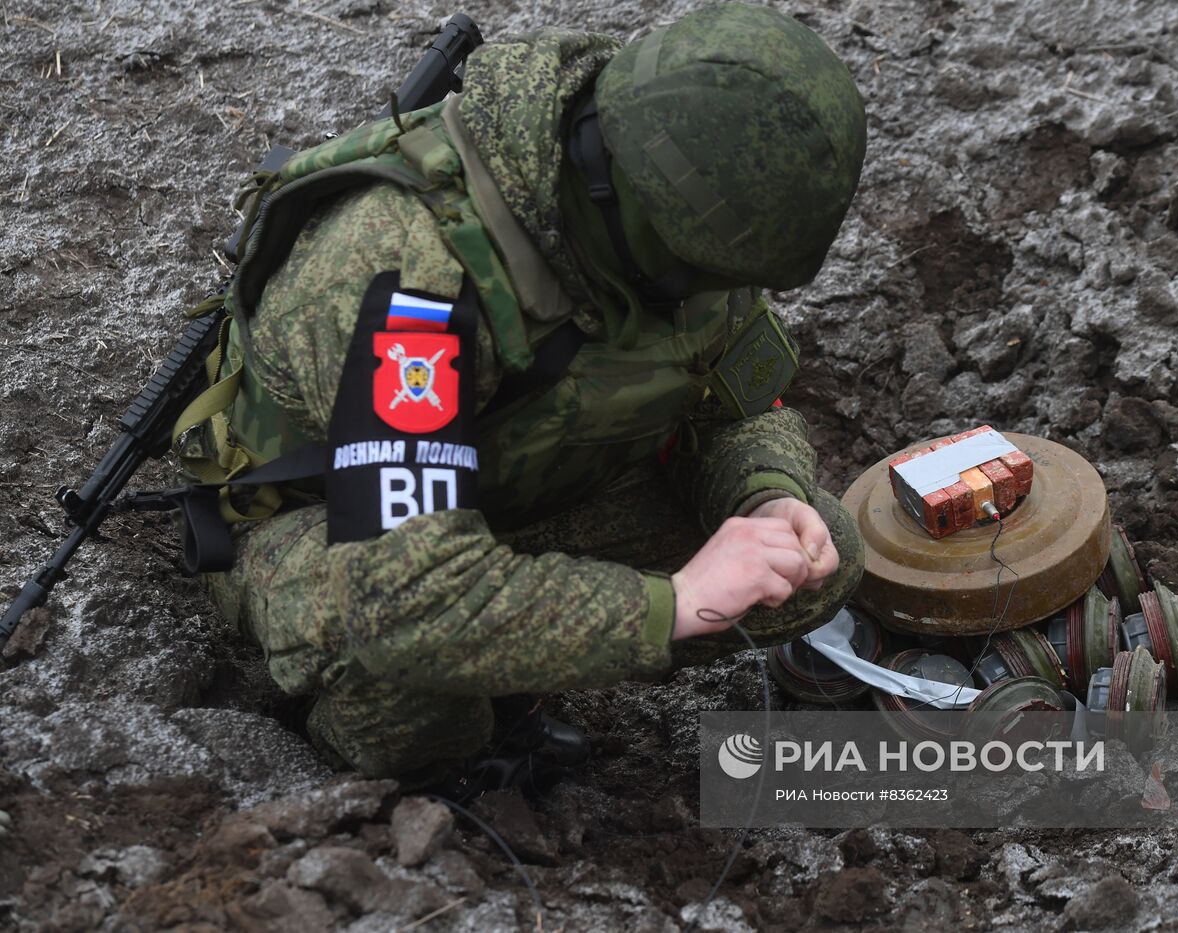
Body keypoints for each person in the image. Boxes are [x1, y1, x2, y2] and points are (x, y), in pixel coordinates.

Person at [188, 2, 868, 789]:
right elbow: (405, 604)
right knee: (420, 707)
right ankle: (400, 752)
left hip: (511, 493)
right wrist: (673, 603)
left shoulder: (681, 205)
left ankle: (523, 647)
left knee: (822, 558)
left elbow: (738, 408)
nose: (724, 291)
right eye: (706, 271)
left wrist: (764, 494)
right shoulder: (411, 277)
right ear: (638, 206)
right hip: (336, 534)